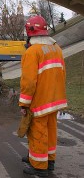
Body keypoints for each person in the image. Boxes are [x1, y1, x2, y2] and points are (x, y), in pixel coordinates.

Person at [19, 16, 67, 177]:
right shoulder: (56, 49)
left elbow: (29, 82)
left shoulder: (32, 52)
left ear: (29, 32)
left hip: (40, 101)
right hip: (55, 99)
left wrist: (24, 103)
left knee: (37, 132)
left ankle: (39, 166)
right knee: (51, 129)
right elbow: (62, 74)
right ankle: (49, 160)